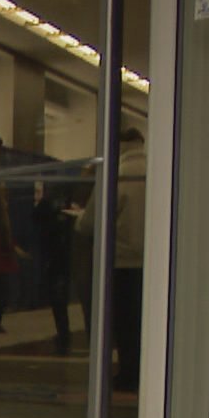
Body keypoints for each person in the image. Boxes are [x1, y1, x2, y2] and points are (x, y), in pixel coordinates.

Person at [78, 129, 147, 392]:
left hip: (121, 262)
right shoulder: (161, 172)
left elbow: (90, 223)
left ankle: (128, 375)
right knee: (143, 322)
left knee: (123, 323)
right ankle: (143, 372)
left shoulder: (116, 175)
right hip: (153, 265)